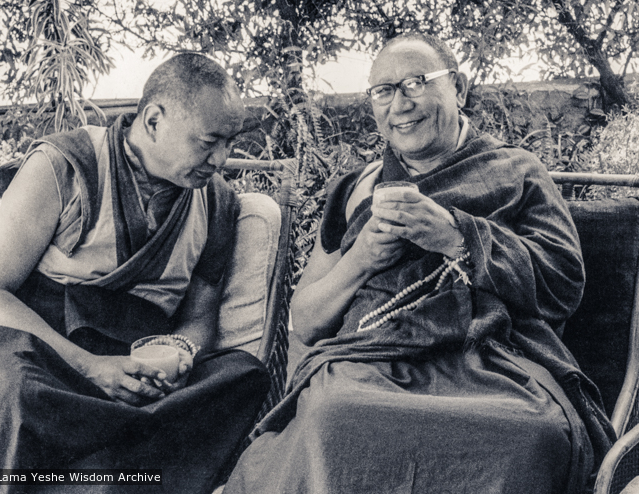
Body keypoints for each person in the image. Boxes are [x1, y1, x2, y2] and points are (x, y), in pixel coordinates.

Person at [224, 32, 615, 494]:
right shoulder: (356, 188)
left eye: (416, 83)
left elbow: (563, 282)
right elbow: (307, 322)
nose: (400, 104)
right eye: (383, 91)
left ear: (459, 88)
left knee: (535, 437)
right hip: (372, 360)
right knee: (332, 415)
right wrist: (361, 259)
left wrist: (457, 237)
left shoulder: (517, 171)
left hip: (491, 365)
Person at [0, 53, 270, 493]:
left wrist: (179, 356)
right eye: (209, 142)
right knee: (12, 388)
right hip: (47, 357)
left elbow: (199, 317)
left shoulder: (217, 202)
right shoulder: (65, 164)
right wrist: (92, 368)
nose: (221, 159)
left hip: (137, 372)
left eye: (230, 143)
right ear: (153, 120)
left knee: (244, 376)